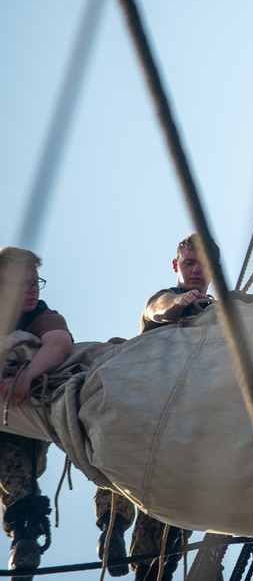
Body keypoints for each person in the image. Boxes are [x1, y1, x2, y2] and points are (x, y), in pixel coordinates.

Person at [95, 233, 214, 580]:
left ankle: (151, 565)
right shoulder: (168, 298)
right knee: (120, 468)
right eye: (189, 263)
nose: (196, 271)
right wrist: (182, 303)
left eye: (203, 266)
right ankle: (112, 531)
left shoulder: (217, 315)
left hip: (184, 422)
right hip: (147, 406)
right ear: (176, 266)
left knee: (163, 523)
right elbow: (158, 309)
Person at [0, 247, 73, 580]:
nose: (32, 291)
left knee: (24, 466)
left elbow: (58, 343)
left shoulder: (41, 314)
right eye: (22, 284)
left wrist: (26, 377)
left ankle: (25, 536)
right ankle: (23, 533)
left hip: (22, 408)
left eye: (36, 283)